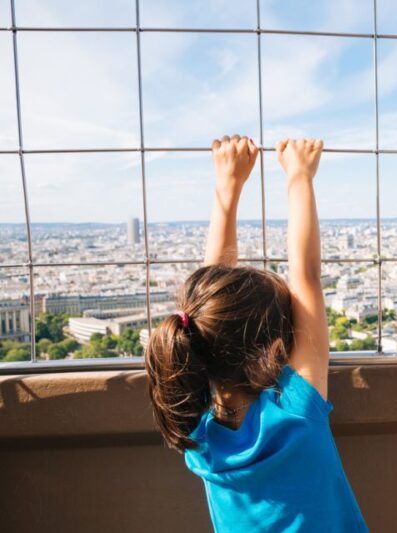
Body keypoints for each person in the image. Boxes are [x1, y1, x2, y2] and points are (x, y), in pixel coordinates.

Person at [144, 134, 368, 532]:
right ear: (279, 345)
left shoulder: (199, 438)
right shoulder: (296, 411)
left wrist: (228, 186)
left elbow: (210, 309)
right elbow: (308, 277)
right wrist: (299, 176)